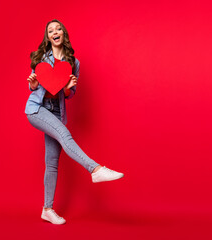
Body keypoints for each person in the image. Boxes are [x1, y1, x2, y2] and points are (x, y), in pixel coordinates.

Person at [25, 19, 124, 225]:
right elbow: (36, 88)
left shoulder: (73, 63)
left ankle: (47, 209)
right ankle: (95, 170)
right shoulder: (41, 58)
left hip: (57, 111)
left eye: (58, 28)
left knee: (52, 163)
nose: (55, 32)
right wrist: (34, 85)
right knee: (65, 135)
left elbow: (69, 95)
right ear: (48, 37)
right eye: (50, 30)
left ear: (63, 33)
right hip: (37, 109)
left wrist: (69, 86)